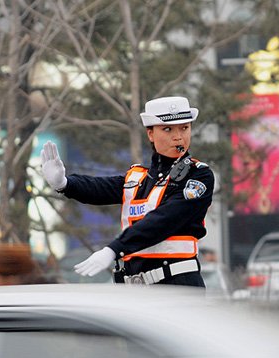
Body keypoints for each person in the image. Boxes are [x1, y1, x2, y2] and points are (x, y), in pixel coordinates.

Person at [39, 96, 214, 287]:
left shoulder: (198, 176)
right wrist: (64, 183)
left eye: (184, 128)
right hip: (138, 290)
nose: (178, 136)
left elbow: (165, 219)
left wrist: (114, 249)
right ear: (150, 134)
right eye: (167, 129)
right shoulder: (138, 178)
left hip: (179, 287)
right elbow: (100, 188)